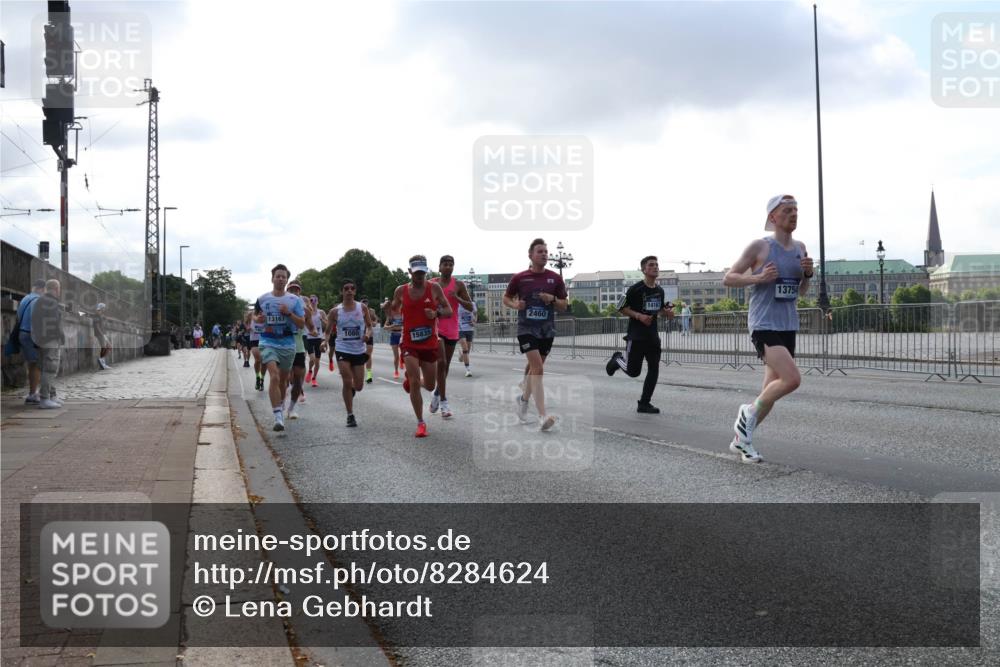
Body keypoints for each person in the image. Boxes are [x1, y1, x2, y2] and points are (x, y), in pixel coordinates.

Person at [722, 194, 814, 463]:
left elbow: (802, 292)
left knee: (770, 391)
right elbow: (729, 277)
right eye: (787, 210)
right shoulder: (760, 247)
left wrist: (808, 275)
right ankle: (746, 412)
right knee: (792, 379)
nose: (794, 214)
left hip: (787, 324)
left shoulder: (800, 248)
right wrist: (759, 277)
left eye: (796, 210)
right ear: (773, 217)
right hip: (763, 324)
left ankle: (742, 441)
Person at [503, 238, 568, 431]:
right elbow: (506, 298)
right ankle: (542, 416)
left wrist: (553, 299)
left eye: (546, 251)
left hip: (547, 330)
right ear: (530, 255)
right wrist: (515, 305)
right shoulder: (520, 278)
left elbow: (564, 305)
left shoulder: (555, 278)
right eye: (540, 251)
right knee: (537, 368)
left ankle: (523, 400)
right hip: (526, 329)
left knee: (534, 369)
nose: (544, 254)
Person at [389, 255, 452, 438]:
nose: (419, 276)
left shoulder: (434, 288)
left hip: (429, 343)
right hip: (409, 342)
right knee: (416, 382)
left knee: (431, 384)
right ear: (410, 272)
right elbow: (394, 310)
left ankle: (412, 380)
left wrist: (436, 313)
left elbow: (448, 311)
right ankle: (420, 422)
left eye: (423, 272)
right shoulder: (401, 291)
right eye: (416, 273)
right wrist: (388, 309)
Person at [605, 256, 674, 413]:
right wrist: (639, 316)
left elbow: (660, 310)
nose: (655, 267)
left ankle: (644, 403)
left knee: (654, 369)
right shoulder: (635, 289)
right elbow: (620, 307)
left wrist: (667, 313)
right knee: (633, 371)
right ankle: (617, 359)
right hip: (636, 336)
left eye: (657, 265)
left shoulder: (660, 290)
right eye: (651, 265)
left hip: (652, 337)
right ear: (644, 269)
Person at [253, 264, 306, 431]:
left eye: (284, 276)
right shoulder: (262, 299)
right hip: (268, 341)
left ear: (286, 280)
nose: (281, 279)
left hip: (288, 343)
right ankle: (277, 416)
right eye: (278, 276)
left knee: (283, 381)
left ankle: (281, 408)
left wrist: (288, 313)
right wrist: (258, 319)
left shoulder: (294, 300)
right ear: (272, 278)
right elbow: (255, 316)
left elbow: (302, 323)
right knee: (274, 377)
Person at [429, 255, 475, 419]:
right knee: (440, 363)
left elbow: (471, 307)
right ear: (439, 267)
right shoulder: (432, 284)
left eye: (451, 265)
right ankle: (444, 402)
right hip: (436, 328)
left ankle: (436, 392)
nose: (448, 267)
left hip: (452, 329)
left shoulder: (459, 285)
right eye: (445, 264)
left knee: (445, 366)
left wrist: (458, 298)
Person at [330, 279, 374, 427]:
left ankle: (351, 391)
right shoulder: (335, 311)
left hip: (358, 349)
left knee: (359, 386)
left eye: (352, 288)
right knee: (347, 381)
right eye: (346, 288)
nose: (349, 290)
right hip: (342, 348)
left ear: (355, 291)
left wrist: (367, 335)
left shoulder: (362, 308)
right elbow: (328, 331)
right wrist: (324, 341)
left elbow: (369, 326)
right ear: (341, 292)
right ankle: (350, 415)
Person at [32, 279, 64, 409]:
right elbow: (55, 323)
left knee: (46, 369)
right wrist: (61, 336)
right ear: (57, 289)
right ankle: (45, 398)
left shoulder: (39, 301)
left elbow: (34, 320)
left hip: (39, 340)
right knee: (50, 369)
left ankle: (51, 396)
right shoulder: (52, 302)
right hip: (50, 340)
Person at [285, 280, 314, 418]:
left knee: (298, 378)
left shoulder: (305, 309)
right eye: (291, 290)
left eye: (296, 290)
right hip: (283, 345)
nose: (294, 292)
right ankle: (280, 407)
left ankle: (291, 408)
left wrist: (313, 331)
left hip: (299, 346)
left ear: (299, 293)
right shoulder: (281, 306)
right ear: (287, 291)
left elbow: (311, 326)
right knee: (286, 377)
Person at [16, 279, 46, 403]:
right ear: (41, 289)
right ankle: (33, 394)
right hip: (31, 334)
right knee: (37, 365)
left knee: (32, 364)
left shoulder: (25, 299)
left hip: (23, 333)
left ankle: (32, 392)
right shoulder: (37, 300)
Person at [304, 294, 327, 388]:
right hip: (308, 338)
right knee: (312, 358)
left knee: (317, 361)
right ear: (309, 302)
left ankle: (314, 378)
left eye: (315, 300)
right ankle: (310, 370)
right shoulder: (306, 312)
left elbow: (328, 323)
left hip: (318, 338)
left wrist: (323, 320)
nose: (313, 302)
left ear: (317, 301)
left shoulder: (321, 312)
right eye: (311, 300)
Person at [384, 299, 403, 379]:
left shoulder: (402, 313)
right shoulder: (390, 316)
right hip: (394, 335)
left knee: (404, 353)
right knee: (396, 356)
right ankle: (396, 371)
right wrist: (391, 327)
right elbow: (385, 327)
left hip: (402, 334)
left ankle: (402, 360)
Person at [246, 310, 265, 390]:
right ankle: (257, 377)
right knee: (258, 360)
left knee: (264, 362)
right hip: (254, 341)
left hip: (265, 341)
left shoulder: (265, 316)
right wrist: (249, 328)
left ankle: (262, 379)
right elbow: (247, 326)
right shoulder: (252, 315)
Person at [94, 303, 112, 370]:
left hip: (102, 333)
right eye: (103, 308)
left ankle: (102, 362)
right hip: (100, 334)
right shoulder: (97, 315)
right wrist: (102, 334)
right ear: (101, 308)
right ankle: (102, 361)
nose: (104, 309)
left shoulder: (100, 315)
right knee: (104, 347)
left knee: (107, 347)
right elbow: (97, 326)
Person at [361, 298, 375, 383]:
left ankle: (369, 375)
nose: (365, 305)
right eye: (363, 303)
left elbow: (375, 320)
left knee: (368, 354)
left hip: (369, 334)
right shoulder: (356, 311)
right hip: (360, 335)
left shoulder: (371, 311)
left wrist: (373, 323)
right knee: (359, 354)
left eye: (366, 303)